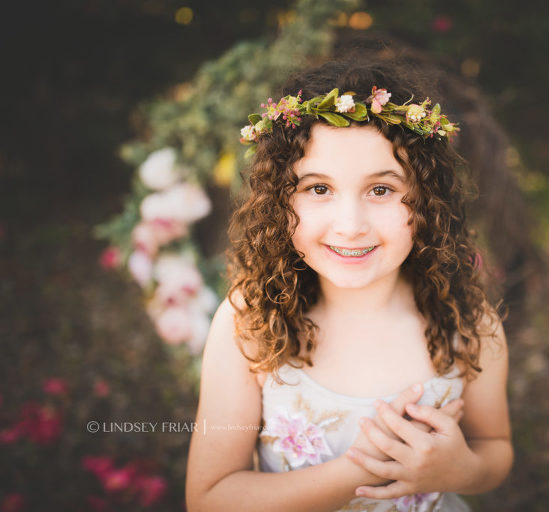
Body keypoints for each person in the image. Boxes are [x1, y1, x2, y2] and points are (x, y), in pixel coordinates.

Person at [186, 58, 514, 512]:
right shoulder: (250, 323)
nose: (350, 226)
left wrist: (461, 470)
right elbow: (210, 498)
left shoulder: (469, 324)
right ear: (280, 200)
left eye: (381, 190)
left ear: (426, 200)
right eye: (318, 189)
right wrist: (367, 468)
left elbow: (494, 446)